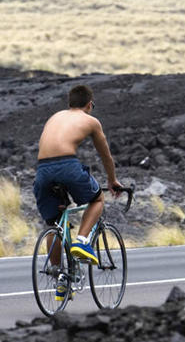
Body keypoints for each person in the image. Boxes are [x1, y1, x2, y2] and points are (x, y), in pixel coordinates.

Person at [33, 84, 122, 299]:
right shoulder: (91, 121)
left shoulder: (55, 117)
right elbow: (106, 156)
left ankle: (61, 278)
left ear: (69, 103)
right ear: (89, 104)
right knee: (97, 199)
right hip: (66, 166)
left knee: (54, 224)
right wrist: (112, 180)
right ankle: (82, 242)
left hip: (42, 171)